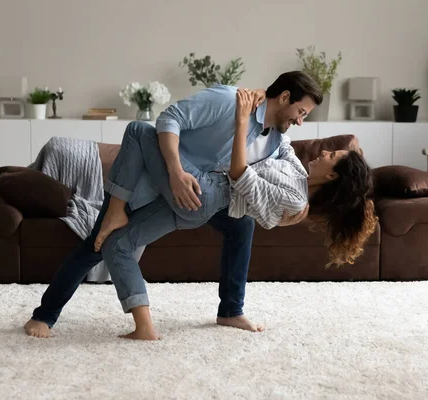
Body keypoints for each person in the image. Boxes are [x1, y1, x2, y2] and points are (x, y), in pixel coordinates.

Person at [24, 71, 320, 339]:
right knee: (99, 243)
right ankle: (45, 315)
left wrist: (295, 210)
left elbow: (291, 176)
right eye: (301, 112)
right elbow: (169, 119)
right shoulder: (228, 101)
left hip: (200, 196)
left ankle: (231, 310)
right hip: (158, 179)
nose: (300, 120)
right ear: (284, 97)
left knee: (242, 224)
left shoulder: (276, 140)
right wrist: (176, 172)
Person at [86, 88, 376, 340]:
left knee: (138, 130)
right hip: (206, 200)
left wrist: (241, 122)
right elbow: (282, 139)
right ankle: (145, 327)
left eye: (333, 156)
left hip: (209, 191)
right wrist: (269, 101)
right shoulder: (299, 174)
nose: (324, 152)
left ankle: (115, 210)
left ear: (332, 177)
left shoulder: (296, 201)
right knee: (118, 244)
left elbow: (240, 175)